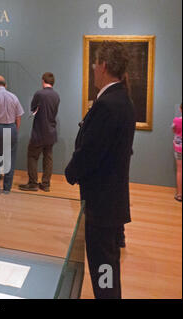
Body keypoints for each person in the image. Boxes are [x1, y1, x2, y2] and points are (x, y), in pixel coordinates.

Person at [65, 41, 135, 299]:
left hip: (102, 205)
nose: (93, 69)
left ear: (103, 66)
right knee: (107, 269)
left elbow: (90, 151)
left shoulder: (108, 104)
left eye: (95, 64)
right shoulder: (122, 99)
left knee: (103, 270)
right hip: (111, 201)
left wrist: (70, 172)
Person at [19, 72, 60, 192]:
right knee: (48, 158)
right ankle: (46, 184)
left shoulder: (39, 94)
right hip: (51, 131)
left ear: (43, 81)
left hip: (39, 131)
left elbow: (32, 108)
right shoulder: (56, 96)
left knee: (32, 156)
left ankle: (33, 183)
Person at [0, 75, 24, 194]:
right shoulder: (14, 97)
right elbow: (18, 117)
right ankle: (7, 188)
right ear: (5, 85)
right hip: (11, 128)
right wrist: (15, 129)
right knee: (10, 159)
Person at [172, 103, 182, 202]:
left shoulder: (176, 120)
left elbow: (173, 129)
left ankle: (179, 194)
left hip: (179, 149)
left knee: (179, 170)